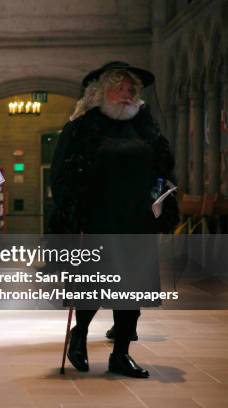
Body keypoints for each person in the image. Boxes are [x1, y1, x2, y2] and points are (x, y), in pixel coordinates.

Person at [50, 61, 176, 378]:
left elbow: (163, 167)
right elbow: (62, 176)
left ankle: (121, 354)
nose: (128, 93)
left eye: (132, 88)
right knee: (94, 285)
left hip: (137, 220)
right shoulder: (83, 127)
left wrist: (164, 196)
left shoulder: (146, 126)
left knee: (131, 291)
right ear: (101, 92)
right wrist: (71, 213)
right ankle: (79, 333)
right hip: (98, 219)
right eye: (120, 87)